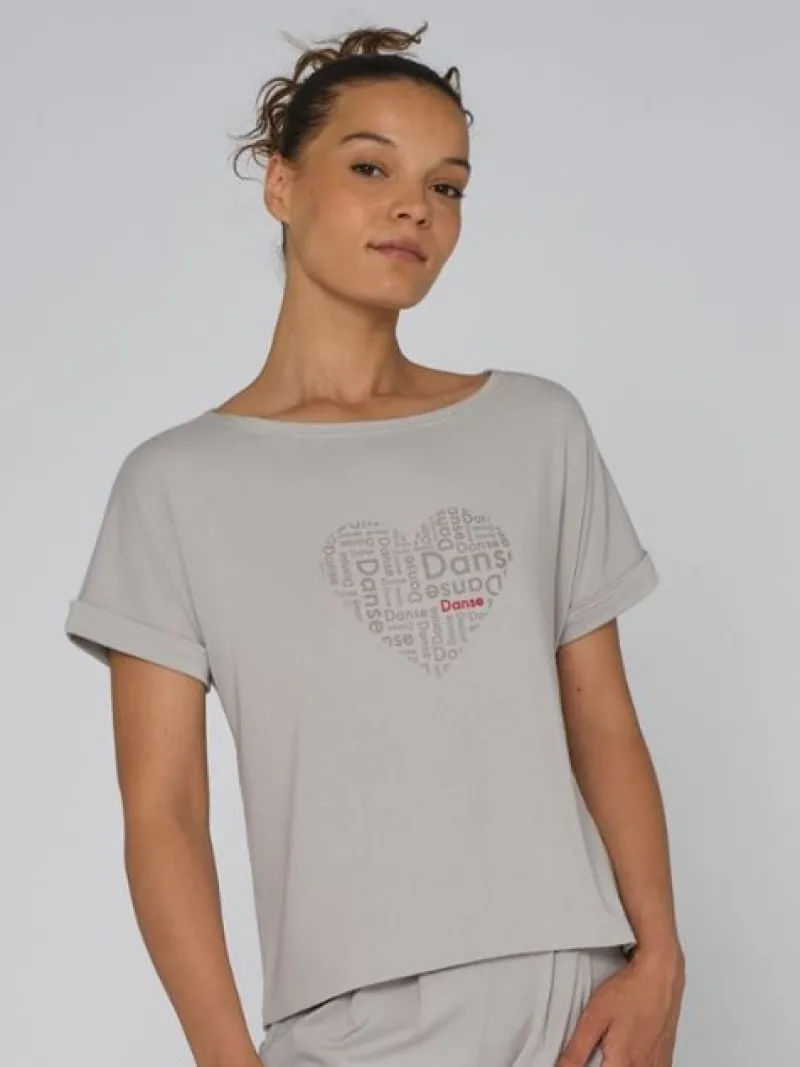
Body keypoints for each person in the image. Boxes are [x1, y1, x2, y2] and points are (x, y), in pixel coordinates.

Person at [63, 21, 685, 1067]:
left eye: (447, 186)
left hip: (576, 995)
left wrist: (659, 959)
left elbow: (603, 720)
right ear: (280, 183)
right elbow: (162, 810)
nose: (415, 207)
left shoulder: (534, 428)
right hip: (350, 1020)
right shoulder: (176, 483)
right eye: (370, 167)